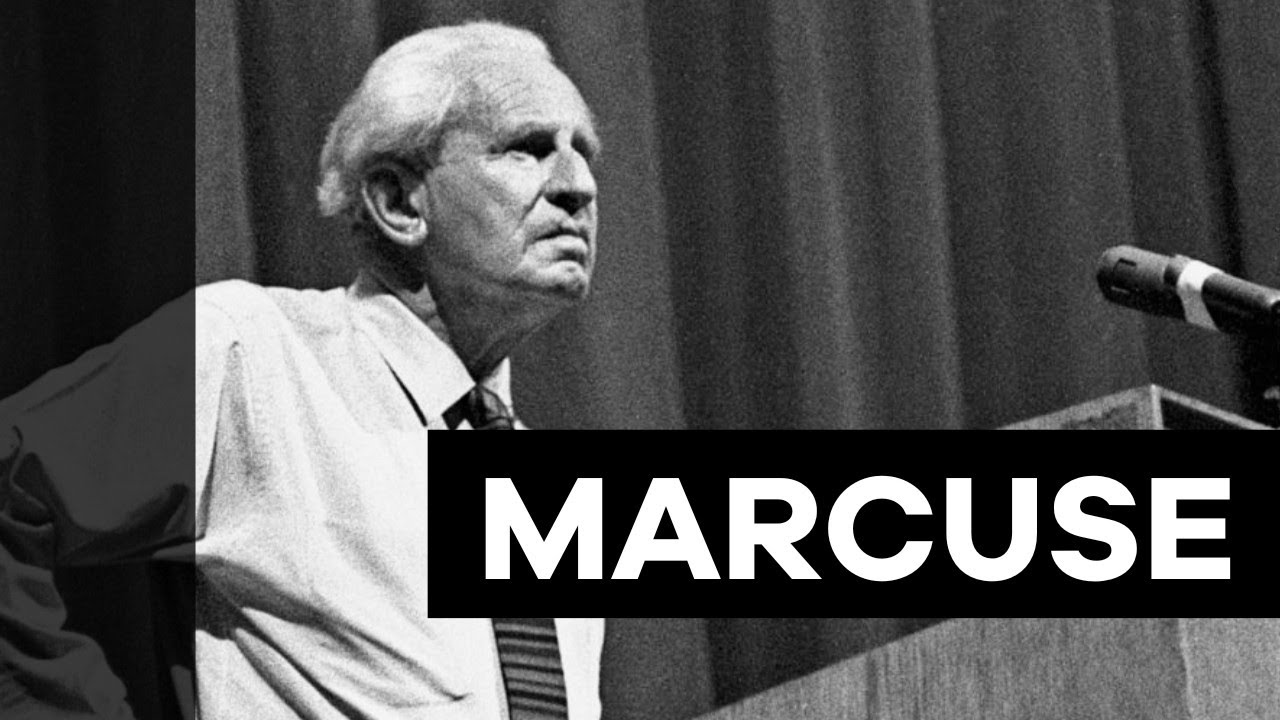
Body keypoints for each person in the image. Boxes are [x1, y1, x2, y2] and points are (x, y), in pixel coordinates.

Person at [0, 21, 604, 720]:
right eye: (528, 148)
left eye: (584, 153)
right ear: (399, 202)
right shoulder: (249, 355)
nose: (579, 186)